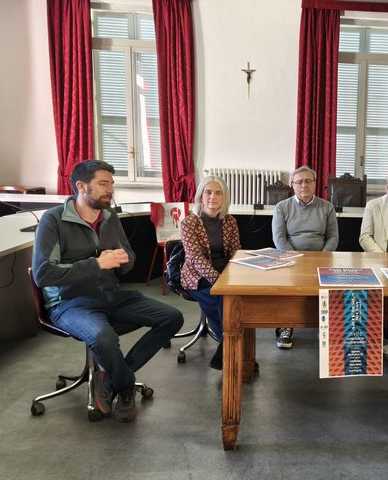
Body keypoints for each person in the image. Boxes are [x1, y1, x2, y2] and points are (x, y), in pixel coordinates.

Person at [32, 160, 184, 423]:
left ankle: (112, 380)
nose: (110, 189)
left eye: (112, 184)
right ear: (81, 186)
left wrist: (125, 259)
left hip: (110, 295)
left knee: (172, 317)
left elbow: (128, 260)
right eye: (103, 184)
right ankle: (125, 387)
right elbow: (43, 274)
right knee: (103, 337)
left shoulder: (110, 217)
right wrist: (97, 264)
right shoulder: (53, 219)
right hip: (70, 302)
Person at [271, 166, 339, 349]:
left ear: (315, 184)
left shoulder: (327, 207)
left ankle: (326, 325)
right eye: (299, 182)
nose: (304, 185)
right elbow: (279, 238)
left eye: (308, 181)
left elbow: (333, 237)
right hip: (290, 259)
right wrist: (296, 258)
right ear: (292, 185)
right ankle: (286, 325)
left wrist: (322, 258)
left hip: (321, 259)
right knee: (287, 288)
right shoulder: (282, 207)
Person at [180, 175, 241, 370]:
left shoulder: (230, 221)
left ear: (225, 197)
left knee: (238, 298)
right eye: (208, 192)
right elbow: (196, 259)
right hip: (197, 276)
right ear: (201, 195)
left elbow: (235, 252)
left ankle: (227, 349)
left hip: (225, 272)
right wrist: (220, 281)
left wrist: (237, 273)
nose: (212, 197)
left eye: (218, 193)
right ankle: (233, 350)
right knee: (224, 298)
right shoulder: (189, 222)